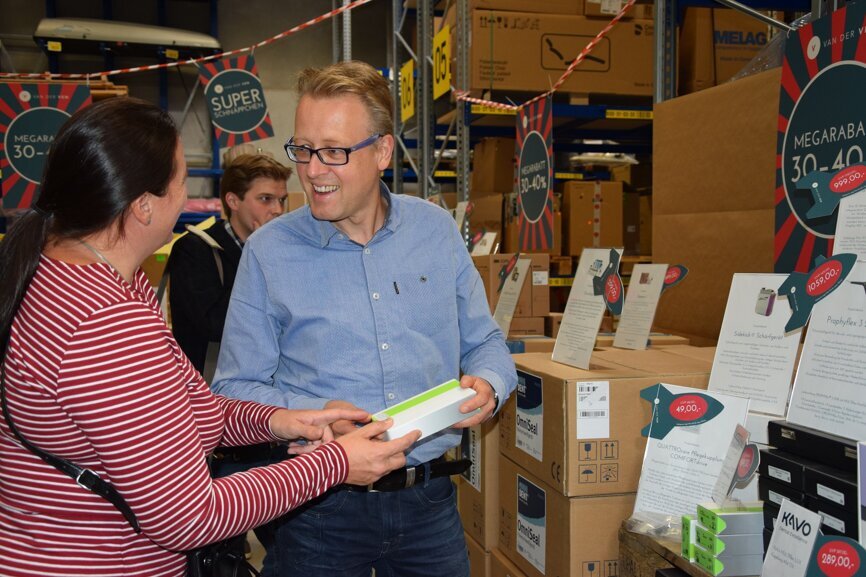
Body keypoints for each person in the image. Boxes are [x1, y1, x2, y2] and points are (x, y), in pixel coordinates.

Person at [0, 97, 418, 577]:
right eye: (181, 181)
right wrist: (333, 465)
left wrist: (283, 421)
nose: (185, 195)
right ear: (142, 206)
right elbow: (191, 516)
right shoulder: (104, 322)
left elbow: (193, 412)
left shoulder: (74, 275)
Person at [212, 60, 517, 577]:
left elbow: (485, 341)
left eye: (333, 151)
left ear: (381, 152)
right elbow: (235, 388)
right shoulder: (268, 252)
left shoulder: (434, 231)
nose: (311, 170)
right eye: (303, 150)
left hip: (430, 501)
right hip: (317, 512)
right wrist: (310, 413)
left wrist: (489, 384)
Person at [167, 153, 292, 378]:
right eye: (265, 199)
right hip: (210, 388)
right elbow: (215, 326)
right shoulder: (195, 249)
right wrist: (260, 254)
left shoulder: (280, 250)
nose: (278, 210)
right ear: (233, 201)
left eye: (281, 199)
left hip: (264, 383)